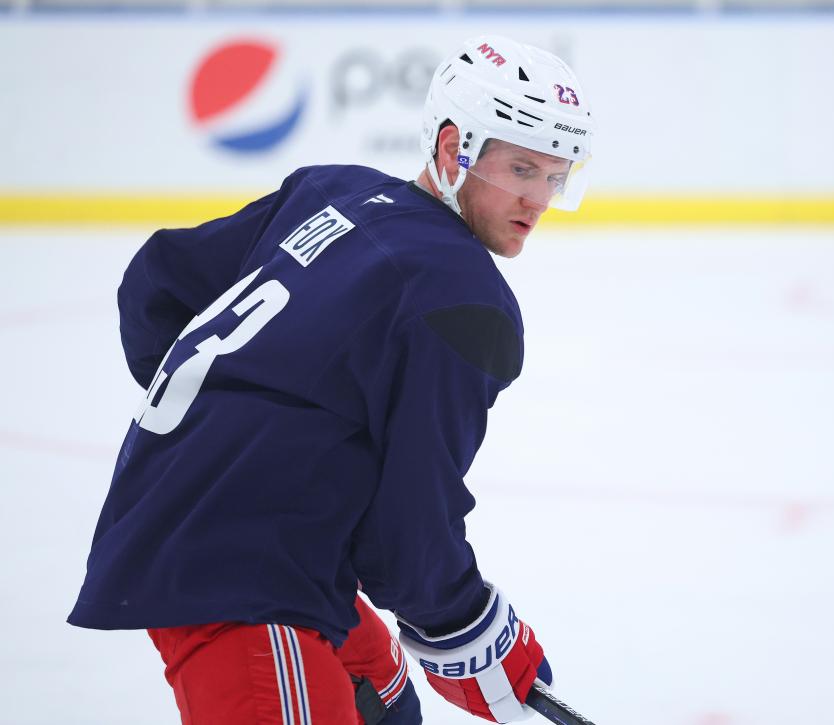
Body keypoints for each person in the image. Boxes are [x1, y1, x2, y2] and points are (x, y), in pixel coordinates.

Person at [68, 34, 595, 724]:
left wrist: (223, 431)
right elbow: (407, 530)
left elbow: (155, 288)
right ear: (450, 148)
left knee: (383, 700)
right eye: (521, 168)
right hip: (245, 572)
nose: (539, 199)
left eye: (554, 177)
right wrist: (471, 625)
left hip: (213, 531)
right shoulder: (464, 297)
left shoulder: (333, 189)